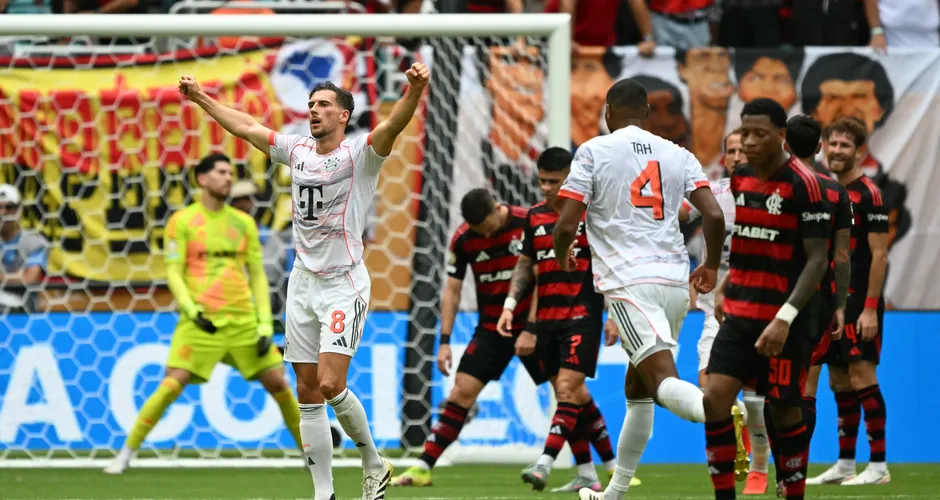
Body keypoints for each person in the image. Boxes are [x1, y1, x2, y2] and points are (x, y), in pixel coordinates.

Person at [177, 62, 431, 500]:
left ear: (343, 115)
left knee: (332, 384)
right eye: (311, 104)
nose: (314, 110)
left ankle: (373, 461)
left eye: (324, 105)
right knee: (308, 392)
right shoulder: (295, 150)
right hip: (303, 283)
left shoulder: (360, 154)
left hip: (344, 282)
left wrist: (414, 90)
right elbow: (246, 127)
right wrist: (201, 97)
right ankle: (323, 493)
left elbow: (394, 123)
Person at [553, 78, 726, 500]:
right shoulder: (678, 154)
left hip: (629, 285)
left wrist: (562, 256)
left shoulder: (593, 150)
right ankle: (615, 492)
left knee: (662, 379)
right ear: (647, 114)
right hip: (673, 284)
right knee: (638, 388)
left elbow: (565, 222)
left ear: (608, 111)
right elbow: (715, 216)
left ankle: (718, 408)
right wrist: (711, 264)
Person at [104, 154, 301, 475]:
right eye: (221, 172)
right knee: (172, 382)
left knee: (279, 382)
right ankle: (125, 454)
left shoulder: (244, 224)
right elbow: (174, 270)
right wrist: (192, 309)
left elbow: (257, 276)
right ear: (202, 179)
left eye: (231, 173)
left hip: (243, 322)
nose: (228, 178)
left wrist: (265, 324)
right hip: (200, 322)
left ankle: (311, 456)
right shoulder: (182, 221)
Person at [703, 98, 832, 500]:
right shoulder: (741, 178)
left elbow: (817, 261)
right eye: (746, 133)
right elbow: (744, 237)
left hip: (785, 320)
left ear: (781, 136)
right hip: (740, 312)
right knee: (715, 398)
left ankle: (791, 491)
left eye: (761, 134)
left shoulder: (806, 185)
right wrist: (727, 285)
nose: (751, 141)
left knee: (783, 409)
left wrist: (785, 318)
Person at [391, 188, 552, 487]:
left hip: (533, 325)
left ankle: (606, 469)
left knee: (568, 392)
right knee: (460, 393)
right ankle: (424, 466)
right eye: (478, 230)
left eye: (487, 227)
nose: (485, 235)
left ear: (496, 209)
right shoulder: (464, 238)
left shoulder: (526, 223)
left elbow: (544, 278)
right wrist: (444, 341)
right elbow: (452, 290)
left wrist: (531, 328)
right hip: (491, 328)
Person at [496, 147, 628, 493]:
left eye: (554, 181)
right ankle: (590, 473)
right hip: (547, 321)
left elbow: (610, 264)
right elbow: (527, 264)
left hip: (583, 315)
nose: (546, 188)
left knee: (568, 390)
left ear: (571, 178)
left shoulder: (592, 214)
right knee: (574, 395)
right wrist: (511, 304)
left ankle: (544, 464)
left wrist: (613, 313)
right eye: (542, 181)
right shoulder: (535, 216)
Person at [680, 129, 767, 494]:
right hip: (716, 311)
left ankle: (759, 464)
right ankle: (736, 455)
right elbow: (673, 216)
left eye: (741, 150)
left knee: (755, 398)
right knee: (710, 391)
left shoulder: (770, 197)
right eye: (730, 150)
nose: (736, 156)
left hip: (760, 307)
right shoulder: (712, 194)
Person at [807, 117, 891, 486]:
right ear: (823, 146)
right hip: (829, 301)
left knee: (861, 375)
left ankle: (879, 466)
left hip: (859, 300)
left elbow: (880, 255)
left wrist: (870, 307)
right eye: (833, 143)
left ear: (860, 151)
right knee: (838, 381)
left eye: (845, 145)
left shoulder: (869, 193)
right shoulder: (822, 189)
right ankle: (845, 464)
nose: (837, 151)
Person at [0, 184, 47, 313]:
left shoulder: (34, 242)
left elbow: (30, 278)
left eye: (9, 207)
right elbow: (23, 277)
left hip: (24, 310)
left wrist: (2, 278)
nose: (3, 212)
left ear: (19, 210)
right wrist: (17, 275)